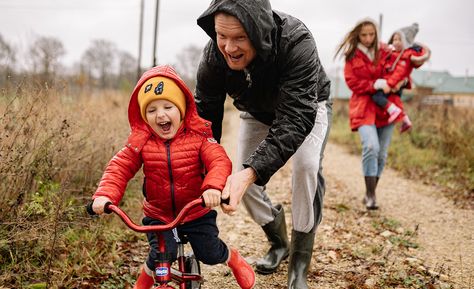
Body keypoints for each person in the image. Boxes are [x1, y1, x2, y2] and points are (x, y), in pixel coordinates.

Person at [195, 1, 332, 288]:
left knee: (305, 167)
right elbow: (205, 119)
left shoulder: (297, 41)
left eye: (240, 37)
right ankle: (279, 243)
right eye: (222, 36)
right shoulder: (213, 56)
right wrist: (204, 172)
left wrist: (252, 172)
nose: (229, 47)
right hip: (255, 111)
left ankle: (299, 263)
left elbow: (295, 118)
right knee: (240, 176)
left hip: (307, 106)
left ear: (258, 32)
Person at [90, 65, 255, 289]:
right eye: (151, 110)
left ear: (182, 109)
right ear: (143, 116)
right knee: (161, 255)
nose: (160, 115)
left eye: (168, 106)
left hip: (196, 210)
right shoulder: (141, 142)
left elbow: (219, 161)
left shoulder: (198, 137)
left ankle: (232, 259)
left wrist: (213, 188)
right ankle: (143, 283)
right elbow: (119, 168)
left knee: (209, 252)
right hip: (159, 215)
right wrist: (104, 196)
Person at [335, 18, 406, 210]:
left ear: (376, 34)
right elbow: (352, 82)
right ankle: (370, 194)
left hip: (386, 107)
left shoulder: (385, 50)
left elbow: (402, 66)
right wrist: (373, 85)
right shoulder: (351, 56)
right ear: (358, 35)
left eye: (371, 34)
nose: (367, 38)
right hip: (363, 107)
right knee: (371, 147)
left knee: (382, 154)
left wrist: (400, 80)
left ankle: (371, 192)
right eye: (364, 35)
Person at [371, 22, 431, 132]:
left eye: (400, 40)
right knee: (395, 101)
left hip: (391, 84)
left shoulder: (404, 56)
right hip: (392, 83)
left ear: (406, 42)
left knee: (377, 97)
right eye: (395, 39)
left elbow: (400, 72)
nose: (396, 42)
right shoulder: (393, 54)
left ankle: (393, 111)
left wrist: (389, 84)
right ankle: (405, 119)